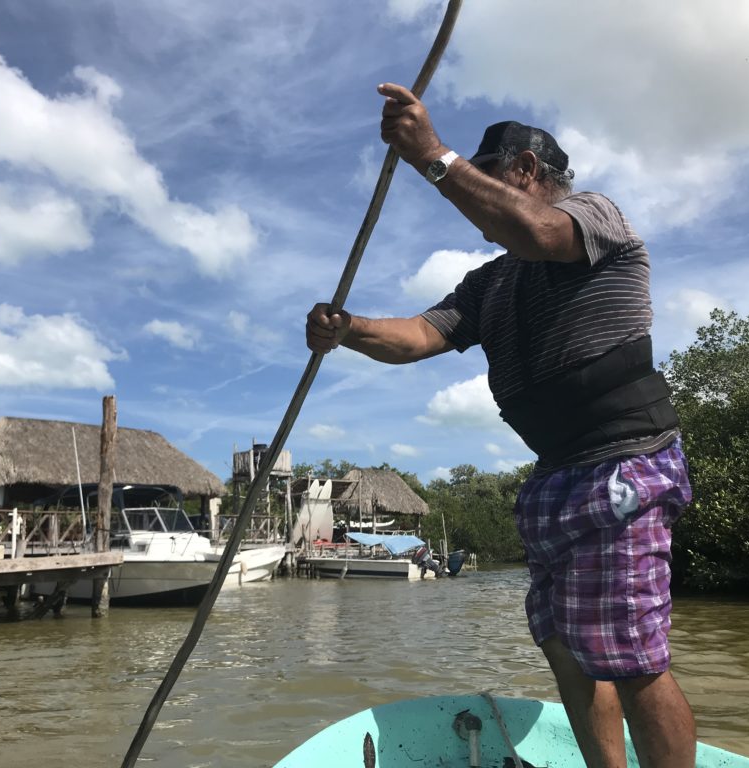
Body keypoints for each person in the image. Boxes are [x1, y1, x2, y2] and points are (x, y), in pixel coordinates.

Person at [306, 82, 696, 768]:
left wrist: (430, 153)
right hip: (555, 477)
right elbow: (418, 337)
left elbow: (538, 232)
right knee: (570, 651)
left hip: (624, 464)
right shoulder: (490, 284)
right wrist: (348, 329)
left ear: (524, 172)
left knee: (634, 657)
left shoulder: (591, 216)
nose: (471, 204)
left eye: (486, 179)